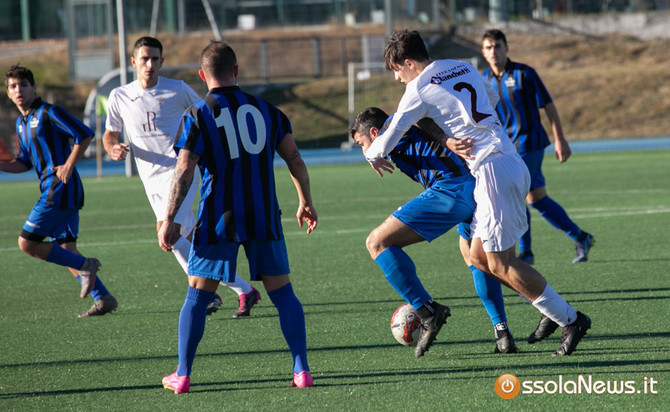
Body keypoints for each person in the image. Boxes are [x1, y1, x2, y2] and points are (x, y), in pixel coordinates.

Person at [365, 30, 591, 358]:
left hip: (493, 170)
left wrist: (370, 154)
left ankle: (571, 319)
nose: (399, 79)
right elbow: (493, 98)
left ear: (409, 63)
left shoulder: (418, 88)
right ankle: (551, 310)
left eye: (397, 71)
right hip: (503, 159)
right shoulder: (461, 66)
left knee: (501, 263)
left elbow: (386, 140)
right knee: (479, 258)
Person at [158, 41, 318, 393]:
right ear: (237, 71)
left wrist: (169, 217)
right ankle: (301, 370)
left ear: (202, 75)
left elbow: (185, 168)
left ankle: (182, 375)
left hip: (219, 217)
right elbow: (295, 159)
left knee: (197, 297)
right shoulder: (267, 110)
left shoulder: (198, 114)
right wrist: (305, 200)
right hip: (263, 215)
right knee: (284, 294)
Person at [103, 36, 261, 317]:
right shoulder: (120, 96)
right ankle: (242, 290)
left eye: (155, 59)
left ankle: (207, 294)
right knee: (181, 239)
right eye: (144, 58)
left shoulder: (177, 89)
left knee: (170, 235)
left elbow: (208, 112)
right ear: (133, 62)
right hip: (149, 179)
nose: (149, 64)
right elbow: (109, 133)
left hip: (180, 171)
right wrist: (112, 147)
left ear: (162, 62)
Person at [350, 107, 517, 357]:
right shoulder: (394, 133)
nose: (364, 150)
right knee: (477, 260)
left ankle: (427, 311)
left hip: (451, 190)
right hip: (472, 187)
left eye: (362, 143)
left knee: (376, 242)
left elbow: (415, 117)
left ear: (375, 132)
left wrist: (372, 153)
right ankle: (503, 331)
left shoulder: (396, 125)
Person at [0, 64, 117, 317]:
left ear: (34, 88)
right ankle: (103, 299)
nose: (19, 89)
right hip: (55, 188)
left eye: (24, 84)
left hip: (60, 189)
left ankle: (86, 266)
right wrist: (1, 165)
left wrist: (68, 165)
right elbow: (24, 162)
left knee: (27, 243)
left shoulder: (49, 112)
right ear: (8, 93)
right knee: (65, 250)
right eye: (13, 86)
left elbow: (84, 135)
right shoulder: (21, 123)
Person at [481, 29, 594, 264]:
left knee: (517, 195)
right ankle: (580, 236)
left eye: (498, 46)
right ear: (483, 52)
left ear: (506, 47)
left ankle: (526, 252)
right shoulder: (484, 79)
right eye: (489, 47)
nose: (494, 51)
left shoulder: (525, 73)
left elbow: (548, 105)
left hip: (529, 143)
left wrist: (560, 139)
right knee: (538, 199)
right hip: (505, 148)